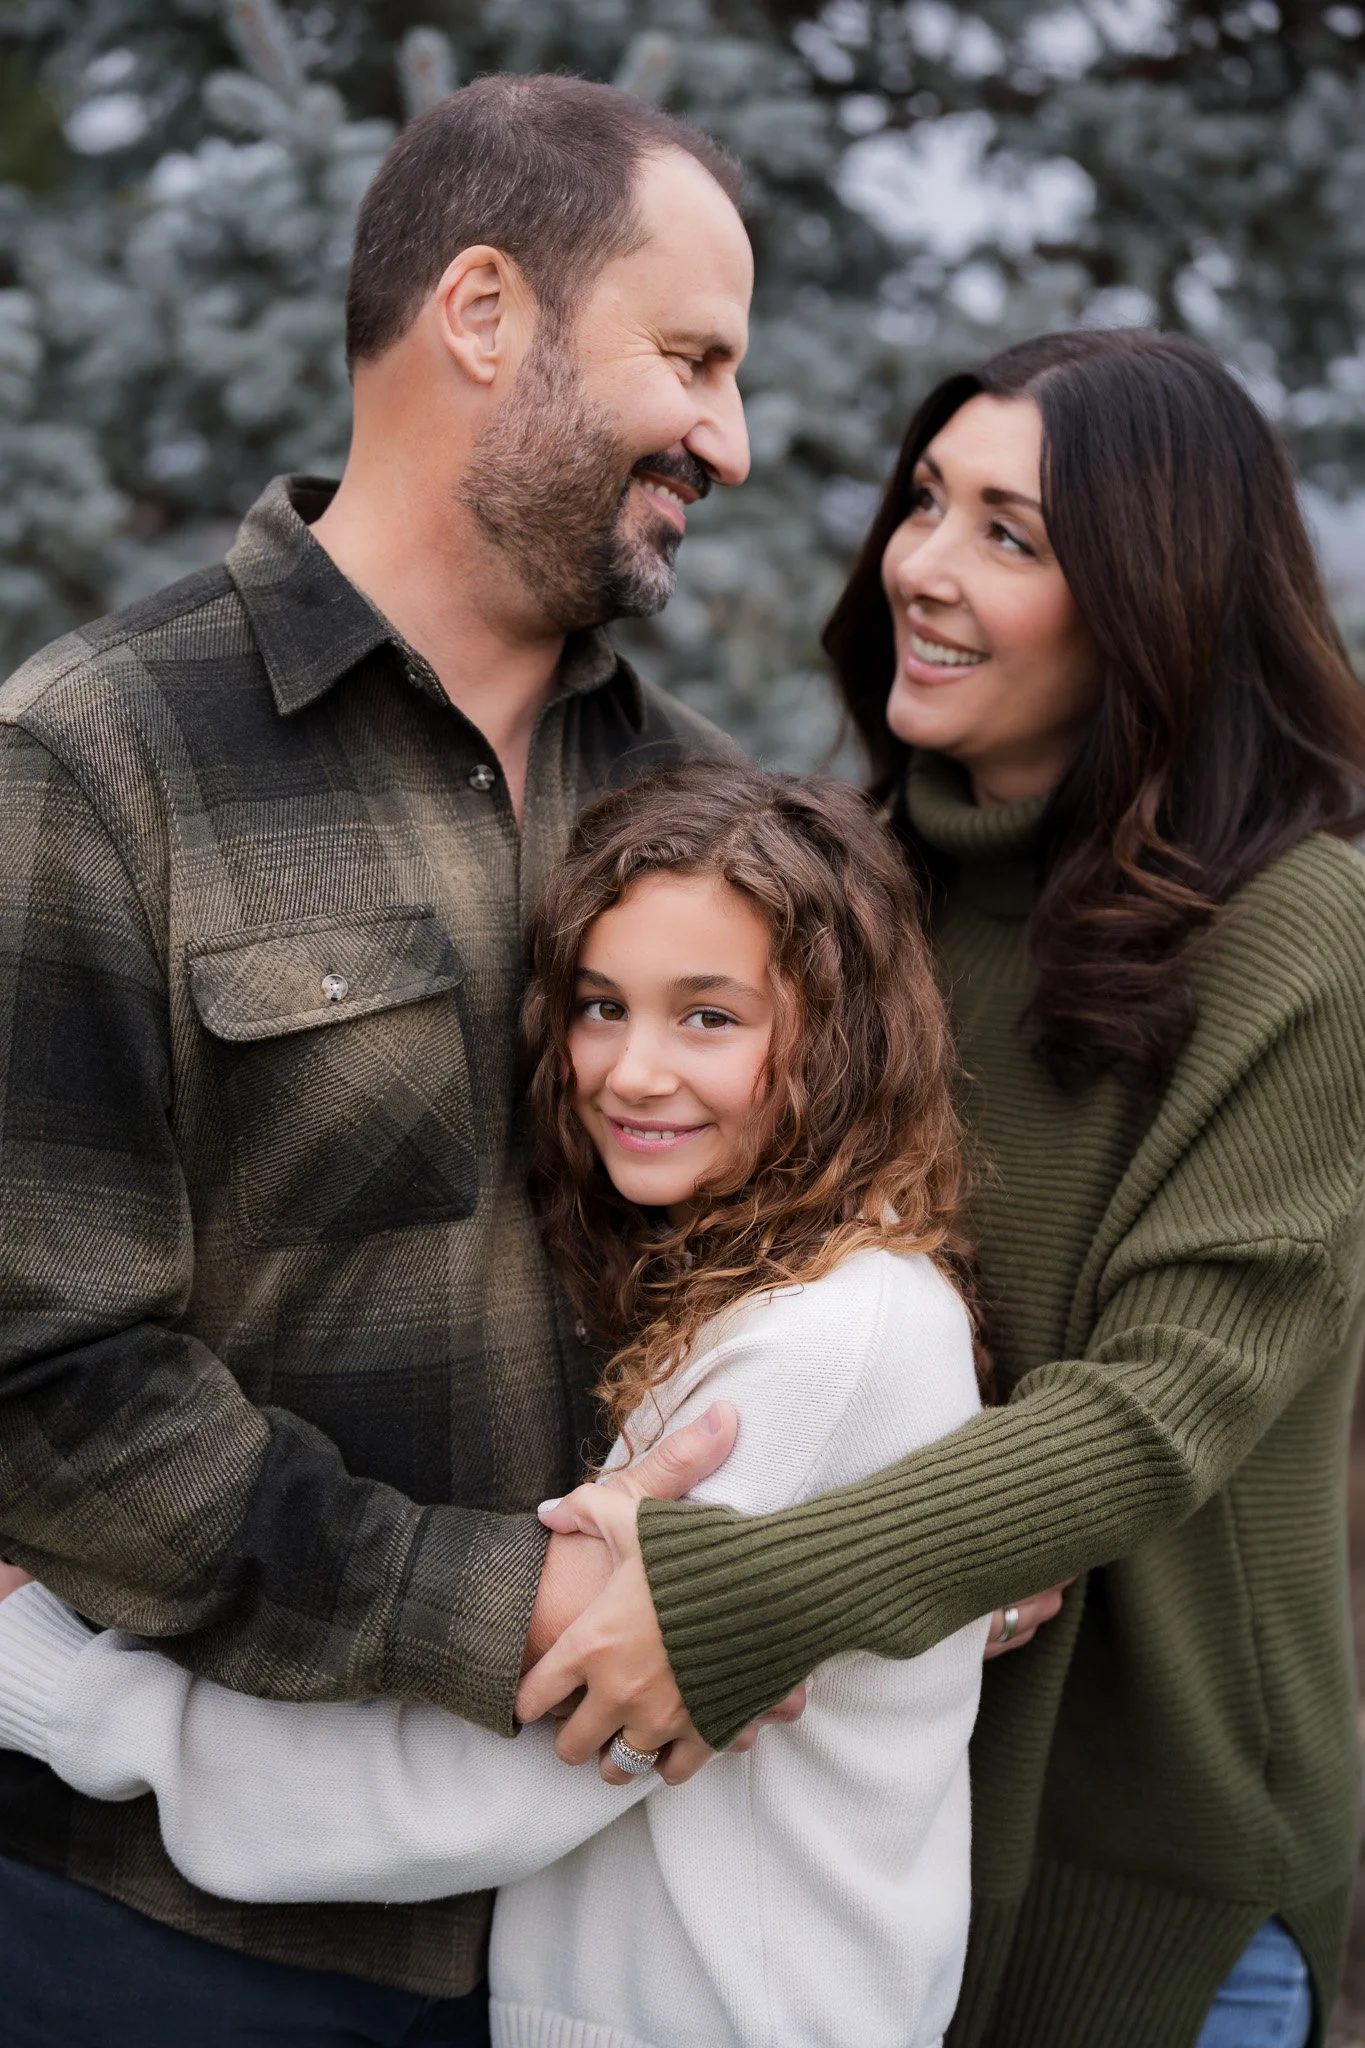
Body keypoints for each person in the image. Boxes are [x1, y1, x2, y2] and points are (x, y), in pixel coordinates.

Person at [0, 72, 761, 2046]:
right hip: (167, 1937)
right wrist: (483, 1602)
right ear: (484, 311)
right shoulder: (94, 761)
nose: (729, 438)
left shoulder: (698, 807)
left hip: (608, 1912)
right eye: (687, 357)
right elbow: (47, 1375)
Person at [512, 330, 1365, 2048]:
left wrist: (746, 1592)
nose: (921, 565)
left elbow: (1161, 1403)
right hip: (864, 1820)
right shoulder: (851, 891)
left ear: (1156, 597)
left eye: (1011, 534)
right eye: (926, 502)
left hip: (1143, 1855)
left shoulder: (1305, 927)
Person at [0, 764, 991, 2048]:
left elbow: (505, 1781)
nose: (631, 1071)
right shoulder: (765, 1279)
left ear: (841, 1035)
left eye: (709, 1017)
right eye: (600, 1005)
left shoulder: (825, 1339)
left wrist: (65, 1685)